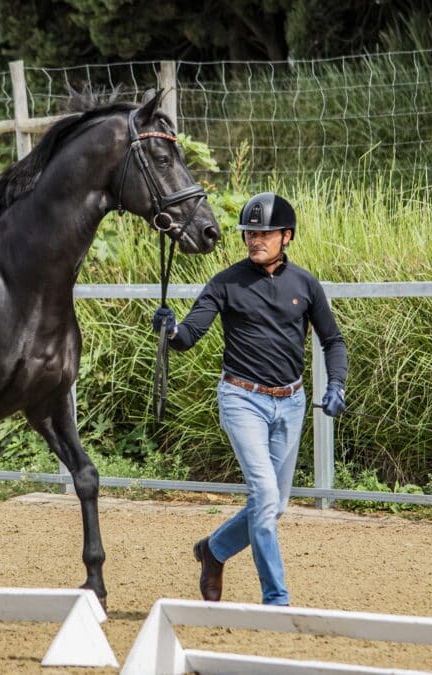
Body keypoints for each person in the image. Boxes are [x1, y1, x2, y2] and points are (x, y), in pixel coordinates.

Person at [152, 191, 348, 606]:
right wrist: (170, 330)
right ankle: (276, 599)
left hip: (291, 403)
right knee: (264, 497)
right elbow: (189, 335)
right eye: (249, 233)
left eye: (264, 233)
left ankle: (214, 550)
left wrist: (336, 384)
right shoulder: (226, 282)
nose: (255, 239)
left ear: (286, 236)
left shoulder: (305, 284)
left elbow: (333, 340)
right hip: (242, 400)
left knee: (273, 507)